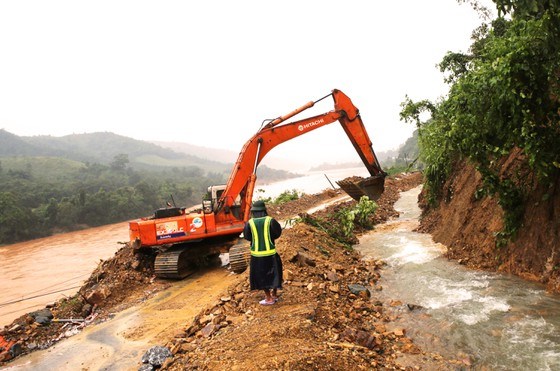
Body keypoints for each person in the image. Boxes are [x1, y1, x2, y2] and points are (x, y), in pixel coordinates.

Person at [243, 200, 283, 305]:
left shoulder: (250, 223)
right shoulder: (271, 221)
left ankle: (268, 298)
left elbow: (247, 236)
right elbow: (277, 233)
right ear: (264, 210)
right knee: (275, 273)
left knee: (261, 276)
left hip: (257, 256)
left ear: (253, 211)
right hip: (271, 254)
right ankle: (274, 294)